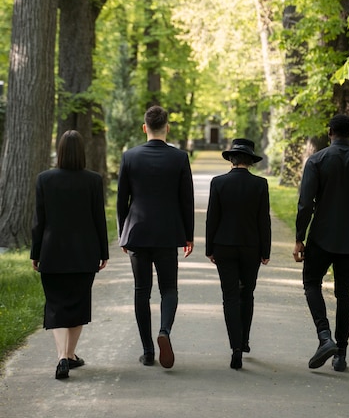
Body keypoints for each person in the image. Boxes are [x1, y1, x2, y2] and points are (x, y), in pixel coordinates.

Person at [293, 114, 349, 372]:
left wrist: (299, 238)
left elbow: (306, 204)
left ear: (329, 132)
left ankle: (324, 336)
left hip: (320, 237)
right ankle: (340, 355)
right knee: (344, 294)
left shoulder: (317, 161)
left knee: (311, 283)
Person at [117, 105, 194, 369]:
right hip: (167, 233)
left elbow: (121, 200)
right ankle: (164, 331)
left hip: (137, 232)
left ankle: (148, 351)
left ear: (144, 128)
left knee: (141, 291)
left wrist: (121, 233)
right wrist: (188, 236)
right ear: (167, 127)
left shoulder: (129, 157)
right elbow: (187, 200)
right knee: (169, 288)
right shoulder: (180, 158)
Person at [31, 130, 109, 380]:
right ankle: (69, 355)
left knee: (55, 306)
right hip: (84, 254)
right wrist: (104, 252)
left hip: (52, 252)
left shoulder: (44, 179)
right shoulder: (94, 180)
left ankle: (63, 357)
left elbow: (38, 222)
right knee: (78, 304)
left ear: (60, 150)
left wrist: (35, 252)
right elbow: (99, 219)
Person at [206, 138, 271, 370]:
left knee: (230, 296)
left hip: (224, 246)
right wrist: (266, 250)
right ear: (250, 161)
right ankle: (244, 341)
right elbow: (264, 221)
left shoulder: (218, 183)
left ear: (231, 159)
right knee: (248, 294)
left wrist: (209, 249)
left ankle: (235, 348)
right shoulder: (260, 185)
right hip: (251, 248)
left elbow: (212, 217)